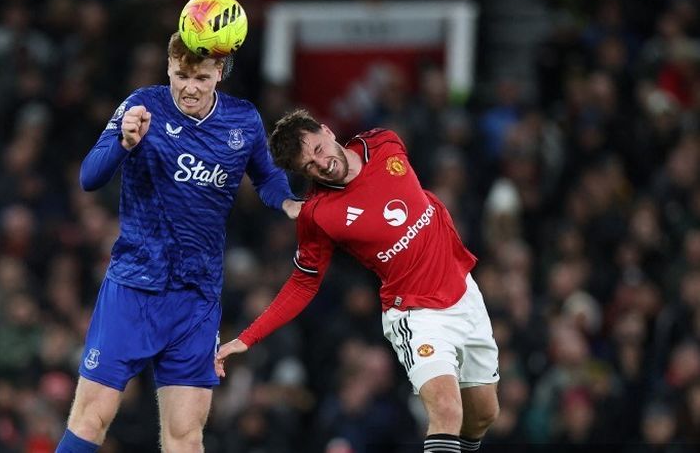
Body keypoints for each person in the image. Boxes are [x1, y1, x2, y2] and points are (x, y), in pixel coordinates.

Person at [55, 32, 302, 453]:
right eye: (181, 75)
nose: (189, 87)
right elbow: (89, 177)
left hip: (196, 297)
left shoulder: (243, 120)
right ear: (169, 68)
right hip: (134, 287)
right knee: (91, 418)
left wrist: (289, 203)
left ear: (219, 74)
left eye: (201, 78)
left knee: (186, 436)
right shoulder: (143, 105)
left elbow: (266, 175)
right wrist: (123, 142)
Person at [216, 109, 500, 453]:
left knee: (484, 414)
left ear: (326, 129)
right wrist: (248, 337)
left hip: (464, 292)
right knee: (446, 409)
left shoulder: (384, 143)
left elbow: (417, 198)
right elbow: (303, 283)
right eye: (308, 165)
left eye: (318, 149)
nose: (320, 164)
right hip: (416, 314)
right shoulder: (318, 215)